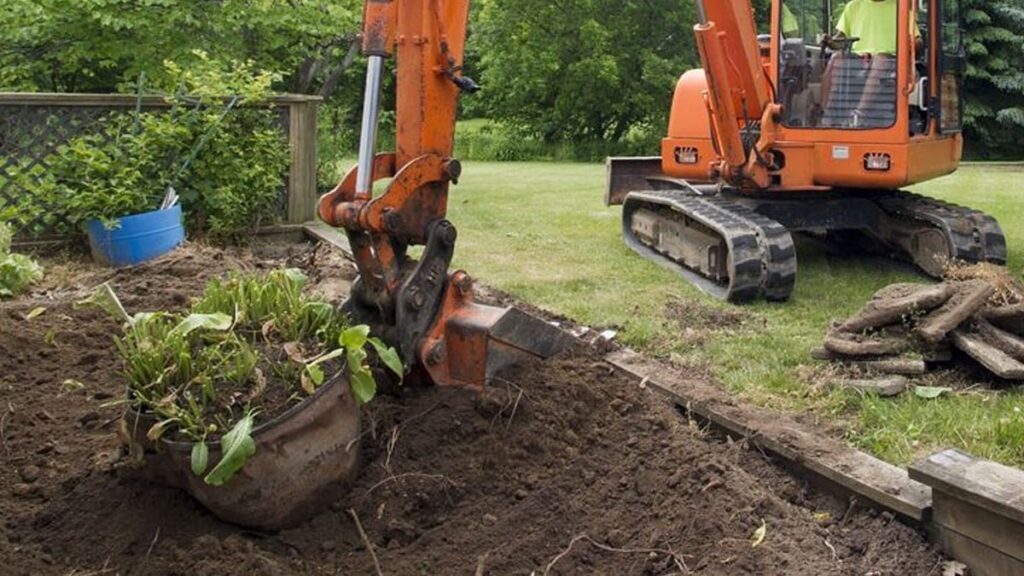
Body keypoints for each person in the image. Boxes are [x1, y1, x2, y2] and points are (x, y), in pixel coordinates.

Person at [821, 0, 921, 126]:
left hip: (892, 63)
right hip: (858, 60)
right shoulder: (854, 6)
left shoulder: (901, 7)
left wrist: (913, 44)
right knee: (836, 58)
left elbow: (917, 40)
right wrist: (829, 42)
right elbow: (840, 41)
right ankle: (826, 115)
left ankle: (858, 116)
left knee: (881, 60)